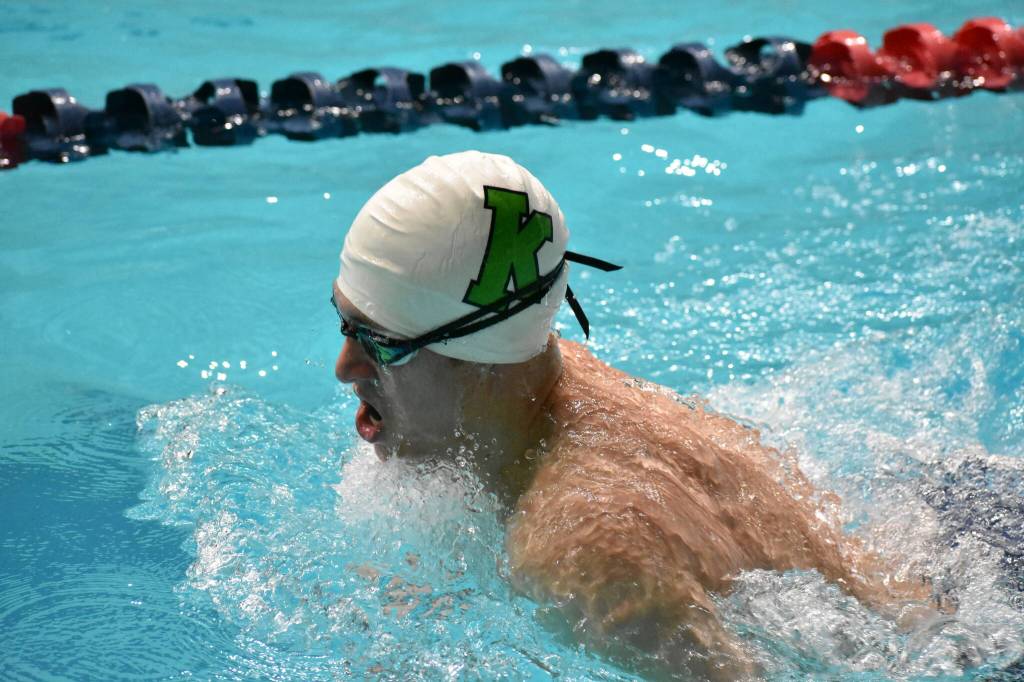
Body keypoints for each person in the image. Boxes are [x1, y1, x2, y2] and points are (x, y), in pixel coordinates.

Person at [331, 150, 934, 678]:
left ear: (479, 355)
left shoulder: (579, 554)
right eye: (345, 323)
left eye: (379, 343)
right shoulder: (546, 373)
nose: (345, 365)